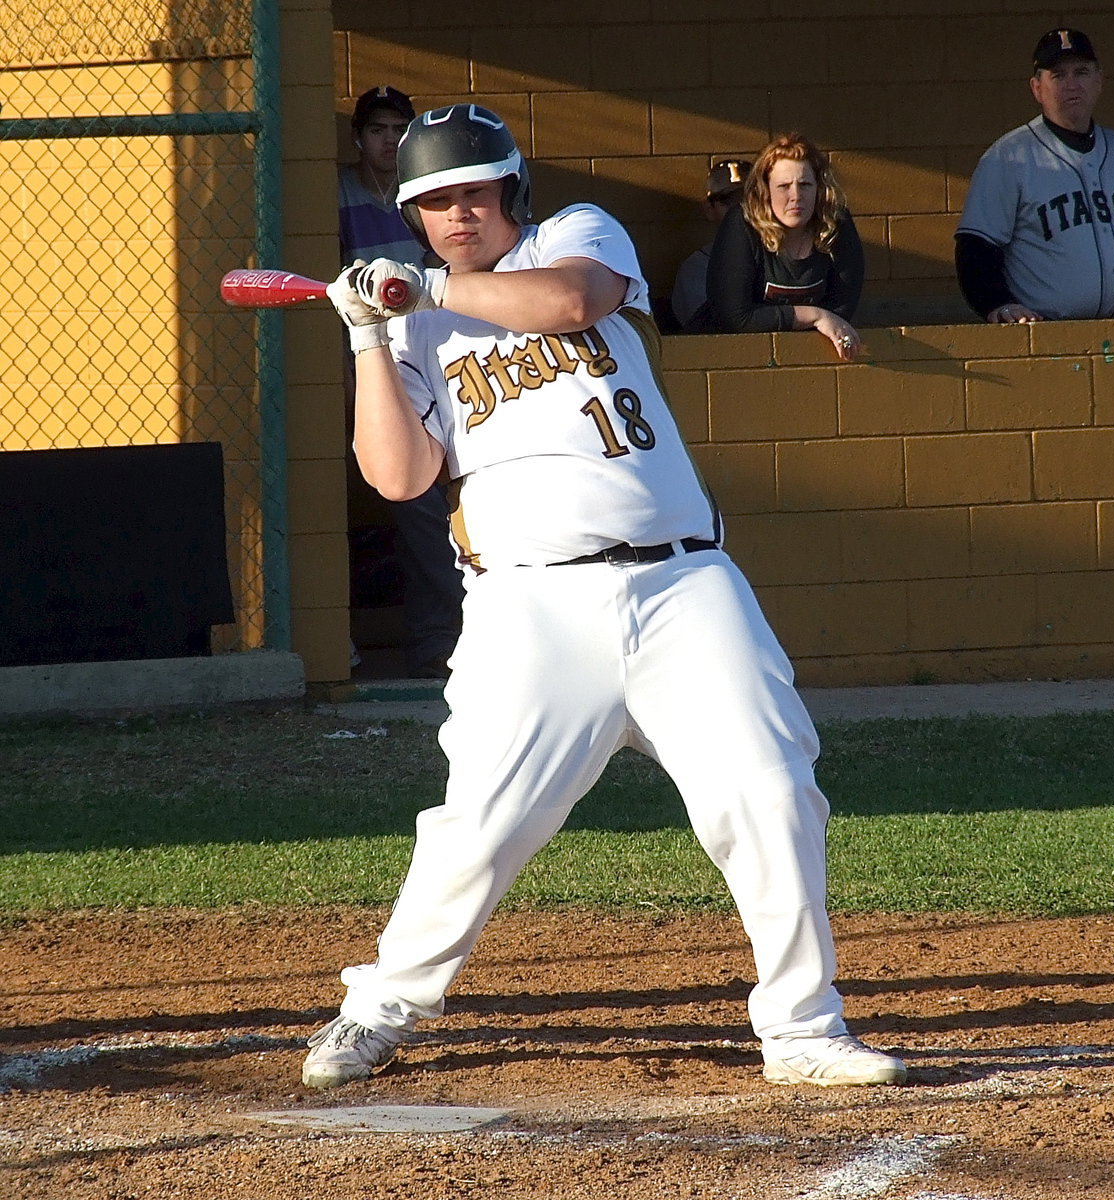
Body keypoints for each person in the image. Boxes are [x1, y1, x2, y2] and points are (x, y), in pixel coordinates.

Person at [302, 103, 907, 1092]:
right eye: (433, 202)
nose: (456, 214)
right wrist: (371, 335)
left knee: (769, 786)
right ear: (412, 212)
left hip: (681, 583)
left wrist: (425, 287)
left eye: (473, 193)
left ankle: (800, 1027)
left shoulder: (573, 235)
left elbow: (572, 304)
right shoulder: (413, 319)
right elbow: (398, 475)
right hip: (527, 608)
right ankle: (380, 1006)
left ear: (510, 193)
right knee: (483, 826)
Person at [339, 85, 463, 677]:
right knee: (410, 499)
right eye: (378, 130)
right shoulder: (336, 194)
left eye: (399, 130)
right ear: (359, 137)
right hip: (373, 366)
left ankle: (452, 635)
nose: (389, 141)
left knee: (445, 495)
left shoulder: (428, 192)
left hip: (443, 356)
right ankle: (436, 641)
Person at [955, 29, 1114, 324]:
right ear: (1037, 88)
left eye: (1082, 72)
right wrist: (996, 304)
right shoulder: (1008, 158)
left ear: (1100, 81)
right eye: (1058, 75)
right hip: (1046, 337)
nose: (1072, 84)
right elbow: (975, 248)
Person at [706, 133, 864, 360]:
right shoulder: (741, 223)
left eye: (805, 185)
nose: (795, 196)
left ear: (819, 189)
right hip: (731, 359)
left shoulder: (837, 223)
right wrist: (815, 316)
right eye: (783, 186)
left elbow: (841, 310)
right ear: (765, 191)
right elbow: (735, 317)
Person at [669, 158, 752, 332]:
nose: (744, 209)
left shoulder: (784, 258)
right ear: (709, 208)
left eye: (753, 198)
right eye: (730, 201)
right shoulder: (697, 268)